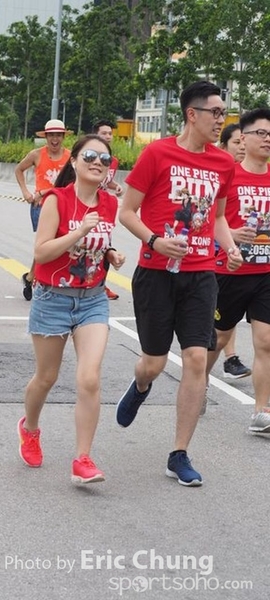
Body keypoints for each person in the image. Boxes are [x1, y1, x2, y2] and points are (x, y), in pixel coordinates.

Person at [115, 80, 242, 487]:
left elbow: (218, 218)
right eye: (215, 113)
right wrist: (154, 240)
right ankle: (141, 384)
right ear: (192, 114)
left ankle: (179, 453)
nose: (221, 120)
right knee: (153, 363)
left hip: (201, 275)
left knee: (196, 359)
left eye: (224, 113)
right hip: (156, 273)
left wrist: (229, 248)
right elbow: (126, 212)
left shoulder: (223, 163)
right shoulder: (158, 153)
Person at [17, 134, 125, 484]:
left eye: (105, 159)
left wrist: (111, 253)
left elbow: (101, 241)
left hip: (92, 299)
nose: (97, 163)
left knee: (89, 377)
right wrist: (77, 233)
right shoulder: (56, 200)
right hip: (53, 299)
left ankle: (83, 458)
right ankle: (30, 428)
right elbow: (41, 253)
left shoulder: (109, 203)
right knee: (46, 378)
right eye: (90, 156)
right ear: (74, 161)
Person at [207, 108, 270, 435]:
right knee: (218, 338)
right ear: (243, 137)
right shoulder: (227, 175)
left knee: (266, 341)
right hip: (229, 271)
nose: (267, 139)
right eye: (261, 133)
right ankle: (198, 382)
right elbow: (207, 222)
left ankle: (262, 411)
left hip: (266, 273)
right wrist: (231, 235)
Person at [14, 119, 71, 301]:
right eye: (51, 135)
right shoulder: (36, 154)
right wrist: (26, 192)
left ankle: (32, 277)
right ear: (46, 137)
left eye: (58, 135)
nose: (55, 139)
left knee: (57, 244)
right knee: (46, 243)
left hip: (64, 206)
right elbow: (19, 170)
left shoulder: (70, 157)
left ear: (63, 137)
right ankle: (40, 279)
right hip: (42, 206)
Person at [217, 123, 251, 378]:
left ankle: (230, 358)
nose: (242, 147)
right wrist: (230, 236)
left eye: (244, 142)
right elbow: (207, 218)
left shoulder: (256, 175)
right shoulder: (219, 176)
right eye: (236, 142)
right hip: (215, 258)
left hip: (249, 262)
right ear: (224, 146)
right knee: (220, 325)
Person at [92, 119, 123, 300]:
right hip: (86, 207)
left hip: (104, 208)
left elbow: (107, 181)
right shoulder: (87, 158)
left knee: (104, 245)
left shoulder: (113, 161)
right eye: (104, 133)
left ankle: (101, 284)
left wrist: (116, 186)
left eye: (110, 133)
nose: (108, 136)